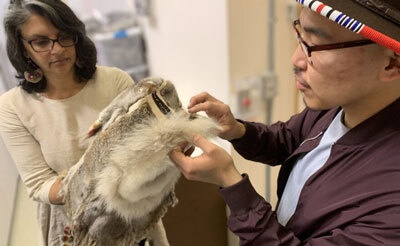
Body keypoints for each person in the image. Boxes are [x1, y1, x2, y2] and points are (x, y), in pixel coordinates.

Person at [170, 0, 400, 245]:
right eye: (300, 36)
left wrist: (232, 184)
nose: (296, 59)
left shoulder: (392, 203)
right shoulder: (340, 103)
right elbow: (289, 138)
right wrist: (238, 131)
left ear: (391, 63)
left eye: (315, 45)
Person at [0, 0, 134, 245]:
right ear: (23, 48)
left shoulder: (115, 81)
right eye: (41, 42)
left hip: (132, 213)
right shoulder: (12, 107)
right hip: (71, 223)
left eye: (64, 36)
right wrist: (102, 187)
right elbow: (39, 183)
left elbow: (139, 148)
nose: (58, 49)